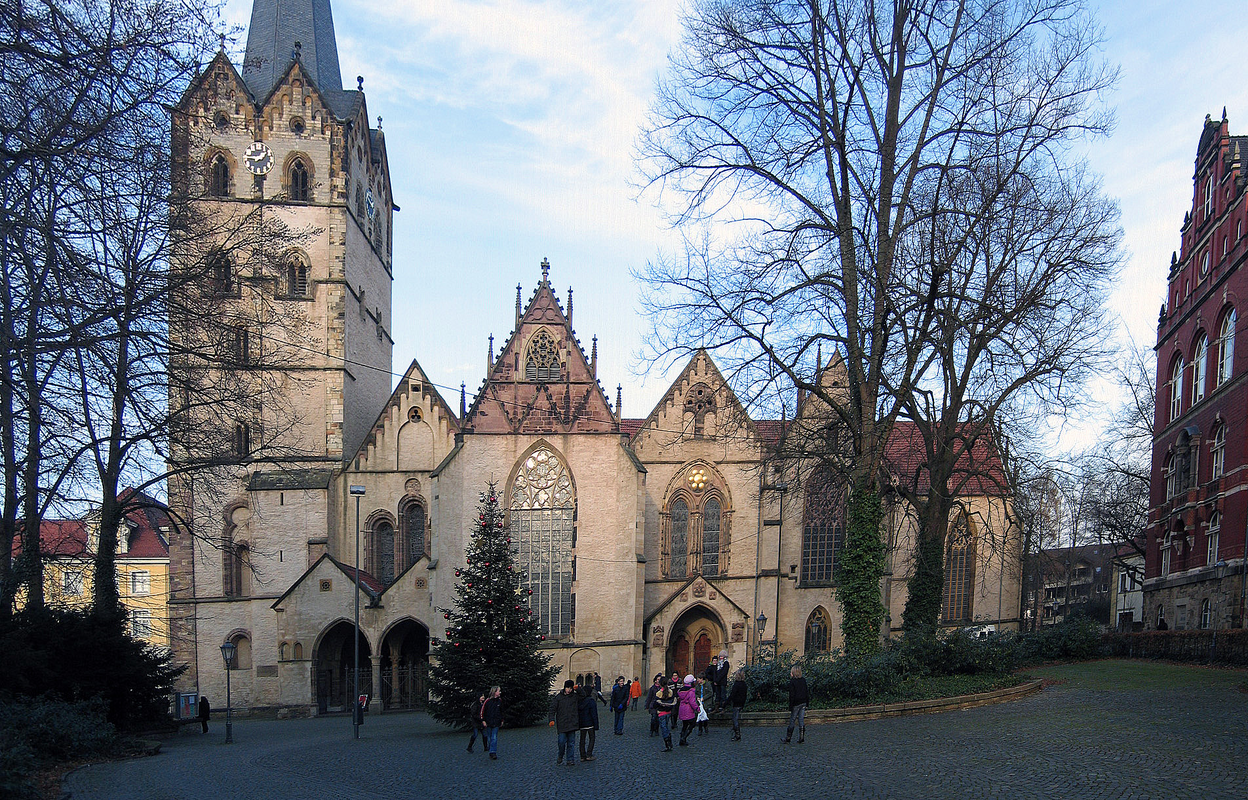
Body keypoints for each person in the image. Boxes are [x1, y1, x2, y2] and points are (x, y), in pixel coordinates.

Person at [550, 680, 581, 766]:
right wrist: (551, 719)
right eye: (567, 688)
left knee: (571, 743)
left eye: (571, 688)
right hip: (562, 724)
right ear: (564, 687)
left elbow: (583, 695)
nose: (569, 690)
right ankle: (560, 755)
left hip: (572, 723)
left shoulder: (574, 696)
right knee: (561, 742)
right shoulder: (558, 697)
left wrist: (578, 688)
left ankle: (570, 759)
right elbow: (552, 709)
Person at [783, 664, 809, 744]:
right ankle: (801, 737)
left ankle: (788, 738)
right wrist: (807, 703)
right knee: (801, 719)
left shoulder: (792, 682)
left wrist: (790, 706)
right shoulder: (803, 680)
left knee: (792, 719)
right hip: (803, 702)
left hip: (796, 703)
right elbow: (806, 692)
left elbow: (792, 695)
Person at [653, 676, 677, 751]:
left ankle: (668, 744)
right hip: (668, 712)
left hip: (661, 713)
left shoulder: (659, 693)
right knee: (666, 727)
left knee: (664, 728)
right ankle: (670, 742)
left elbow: (655, 704)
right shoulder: (670, 692)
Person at [578, 685, 599, 761]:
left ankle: (582, 756)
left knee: (582, 739)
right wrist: (596, 725)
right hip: (590, 723)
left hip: (582, 723)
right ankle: (589, 754)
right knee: (592, 738)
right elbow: (594, 714)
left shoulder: (580, 701)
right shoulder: (591, 701)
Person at [676, 675, 699, 746]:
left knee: (685, 725)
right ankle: (684, 737)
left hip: (682, 709)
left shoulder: (681, 691)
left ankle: (682, 740)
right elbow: (692, 702)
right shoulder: (691, 691)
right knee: (692, 724)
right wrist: (697, 708)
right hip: (688, 710)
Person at [482, 686, 503, 760]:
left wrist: (502, 720)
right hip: (488, 722)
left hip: (496, 721)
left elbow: (501, 711)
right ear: (494, 692)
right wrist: (483, 720)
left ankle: (493, 752)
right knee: (489, 737)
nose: (500, 692)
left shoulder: (499, 701)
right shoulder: (487, 701)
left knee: (494, 737)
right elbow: (483, 711)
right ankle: (491, 750)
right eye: (499, 691)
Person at [728, 669, 747, 741]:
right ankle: (736, 733)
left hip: (736, 703)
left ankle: (737, 734)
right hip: (741, 703)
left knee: (735, 719)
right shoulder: (744, 684)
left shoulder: (736, 684)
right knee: (735, 718)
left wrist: (726, 702)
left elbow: (732, 694)